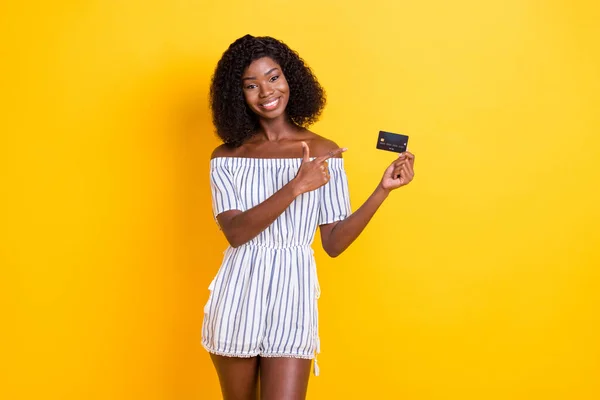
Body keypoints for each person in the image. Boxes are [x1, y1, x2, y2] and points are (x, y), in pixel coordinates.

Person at [202, 34, 415, 400]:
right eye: (250, 85)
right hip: (237, 294)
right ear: (237, 95)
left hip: (292, 293)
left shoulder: (324, 151)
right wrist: (296, 186)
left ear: (290, 80)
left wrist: (382, 190)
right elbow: (236, 233)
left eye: (273, 77)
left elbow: (333, 243)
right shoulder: (225, 156)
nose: (266, 91)